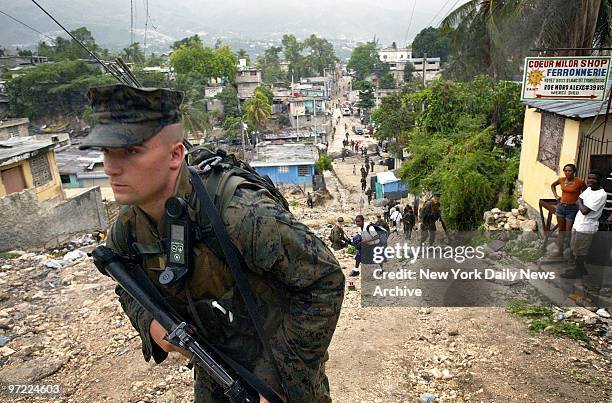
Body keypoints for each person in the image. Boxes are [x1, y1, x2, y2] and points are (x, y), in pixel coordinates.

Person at [83, 84, 344, 402]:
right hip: (214, 373)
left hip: (283, 373)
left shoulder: (240, 213)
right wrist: (151, 324)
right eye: (107, 152)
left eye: (131, 151)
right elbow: (127, 286)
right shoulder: (127, 229)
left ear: (175, 155)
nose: (111, 167)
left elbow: (324, 280)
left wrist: (275, 380)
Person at [561, 170, 608, 279]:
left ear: (600, 180)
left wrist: (580, 203)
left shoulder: (601, 194)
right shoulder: (589, 189)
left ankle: (577, 272)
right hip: (579, 223)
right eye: (589, 178)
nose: (590, 181)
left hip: (587, 226)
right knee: (575, 248)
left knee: (580, 251)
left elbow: (584, 210)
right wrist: (580, 203)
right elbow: (580, 199)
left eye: (594, 179)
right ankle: (581, 269)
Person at [550, 164, 586, 257]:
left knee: (568, 231)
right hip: (561, 207)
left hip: (572, 209)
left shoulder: (579, 181)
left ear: (574, 172)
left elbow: (586, 192)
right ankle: (560, 251)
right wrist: (556, 196)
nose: (567, 172)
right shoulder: (561, 180)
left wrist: (580, 200)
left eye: (569, 171)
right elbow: (553, 185)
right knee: (561, 230)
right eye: (565, 170)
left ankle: (570, 253)